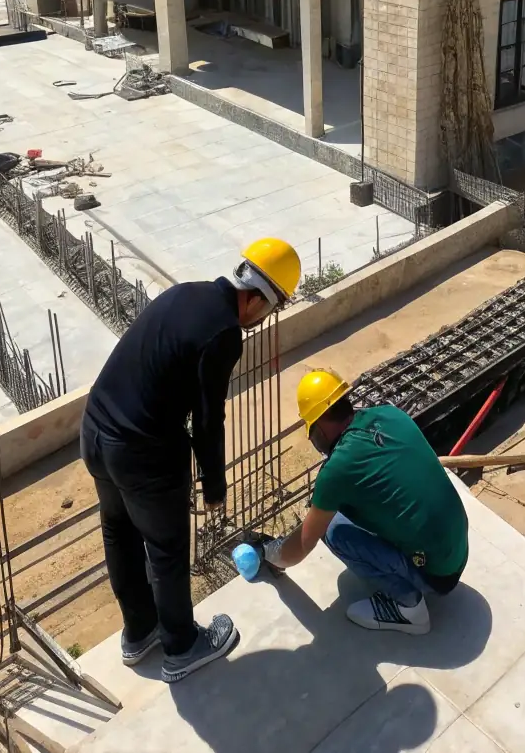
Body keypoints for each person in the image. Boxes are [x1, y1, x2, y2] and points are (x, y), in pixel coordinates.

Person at [80, 237, 300, 682]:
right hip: (143, 451)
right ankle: (181, 645)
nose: (265, 319)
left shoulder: (188, 292)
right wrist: (215, 488)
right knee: (166, 549)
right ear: (256, 297)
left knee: (119, 532)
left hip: (96, 432)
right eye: (271, 308)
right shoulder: (224, 333)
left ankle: (139, 630)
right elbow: (207, 418)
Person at [259, 368, 468, 635]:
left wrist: (269, 552)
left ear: (321, 424)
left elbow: (299, 549)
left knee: (333, 529)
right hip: (458, 549)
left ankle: (408, 609)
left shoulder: (338, 470)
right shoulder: (391, 414)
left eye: (310, 428)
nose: (312, 437)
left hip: (438, 576)